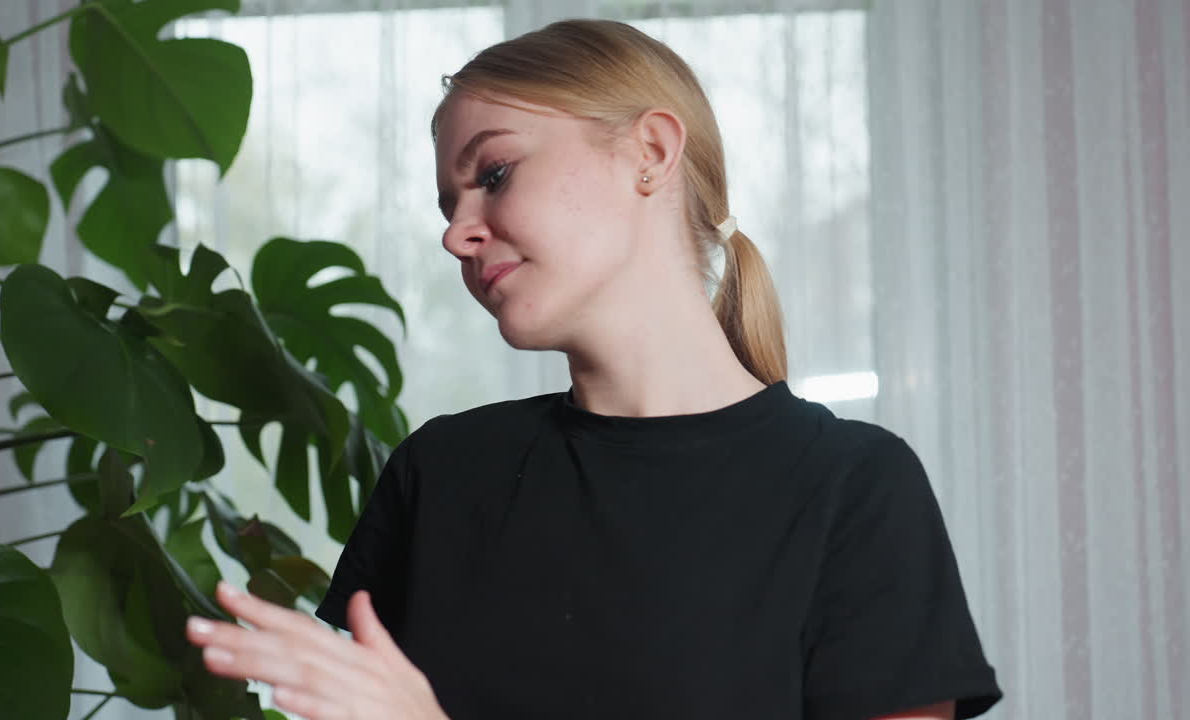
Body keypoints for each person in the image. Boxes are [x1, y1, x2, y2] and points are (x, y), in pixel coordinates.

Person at [187, 18, 1003, 720]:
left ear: (650, 151)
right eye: (448, 204)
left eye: (494, 174)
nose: (457, 235)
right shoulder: (441, 475)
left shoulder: (853, 490)